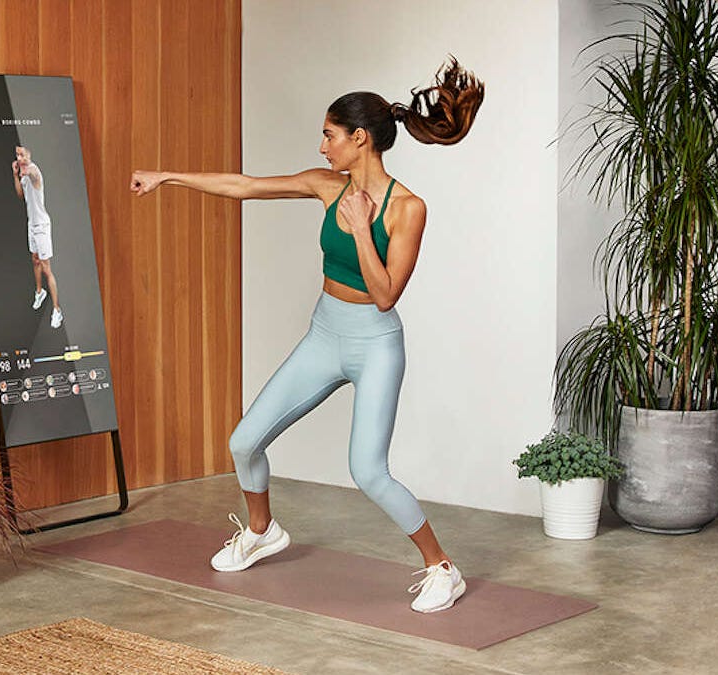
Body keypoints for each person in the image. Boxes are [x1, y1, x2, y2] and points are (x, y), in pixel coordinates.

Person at [130, 58, 484, 613]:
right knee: (244, 441)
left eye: (329, 136)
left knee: (367, 470)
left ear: (359, 139)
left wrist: (364, 229)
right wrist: (167, 176)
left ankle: (442, 567)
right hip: (325, 334)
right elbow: (245, 187)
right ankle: (263, 531)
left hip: (374, 344)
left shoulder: (408, 209)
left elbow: (386, 293)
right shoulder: (326, 187)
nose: (323, 148)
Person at [14, 145, 63, 329]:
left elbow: (33, 174)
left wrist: (27, 168)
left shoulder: (34, 172)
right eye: (17, 154)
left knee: (46, 267)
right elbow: (21, 195)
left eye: (23, 154)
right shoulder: (23, 175)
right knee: (35, 260)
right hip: (31, 225)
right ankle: (40, 292)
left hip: (42, 226)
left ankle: (57, 310)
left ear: (29, 155)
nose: (20, 158)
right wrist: (16, 175)